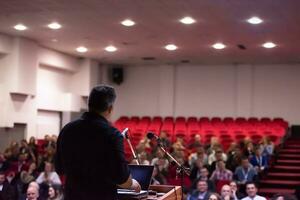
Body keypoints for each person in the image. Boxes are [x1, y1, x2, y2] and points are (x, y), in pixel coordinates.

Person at [55, 85, 141, 200]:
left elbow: (59, 168)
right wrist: (132, 183)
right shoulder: (112, 134)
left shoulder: (67, 130)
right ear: (110, 108)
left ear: (89, 105)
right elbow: (122, 179)